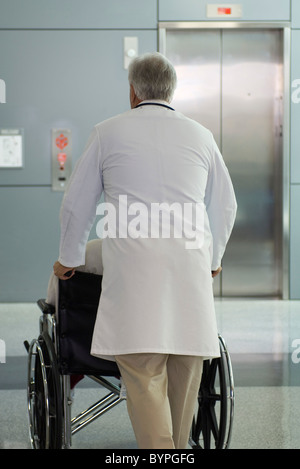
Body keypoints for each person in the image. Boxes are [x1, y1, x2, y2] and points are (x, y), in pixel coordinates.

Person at [53, 52, 237, 449]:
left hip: (135, 274)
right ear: (171, 90)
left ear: (133, 91)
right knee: (185, 370)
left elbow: (77, 202)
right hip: (190, 269)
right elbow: (225, 204)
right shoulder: (200, 135)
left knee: (141, 370)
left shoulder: (108, 131)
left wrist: (68, 259)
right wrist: (215, 259)